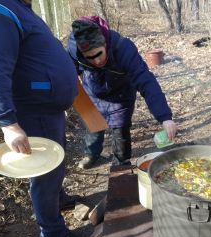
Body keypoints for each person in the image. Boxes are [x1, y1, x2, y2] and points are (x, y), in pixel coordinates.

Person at [0, 0, 83, 237]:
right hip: (33, 110)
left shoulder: (17, 7)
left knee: (55, 164)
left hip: (47, 108)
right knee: (45, 174)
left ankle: (58, 200)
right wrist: (7, 123)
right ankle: (52, 231)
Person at [67, 16, 177, 169]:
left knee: (120, 131)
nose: (96, 61)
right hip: (93, 94)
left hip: (121, 95)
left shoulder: (123, 48)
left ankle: (121, 162)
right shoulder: (73, 50)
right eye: (90, 58)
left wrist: (165, 117)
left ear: (105, 43)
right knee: (93, 127)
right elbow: (68, 74)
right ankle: (91, 155)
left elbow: (146, 81)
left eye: (99, 54)